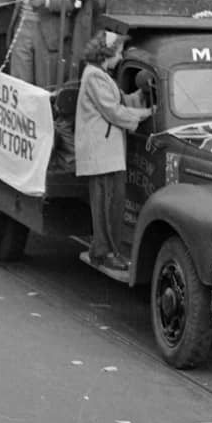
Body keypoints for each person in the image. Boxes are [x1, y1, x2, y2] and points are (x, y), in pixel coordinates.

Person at [74, 31, 152, 271]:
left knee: (110, 203)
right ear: (106, 54)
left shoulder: (99, 75)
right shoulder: (95, 77)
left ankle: (105, 250)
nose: (120, 58)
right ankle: (104, 252)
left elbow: (121, 102)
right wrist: (144, 114)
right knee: (108, 205)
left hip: (106, 153)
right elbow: (114, 111)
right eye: (118, 53)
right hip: (102, 153)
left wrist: (143, 95)